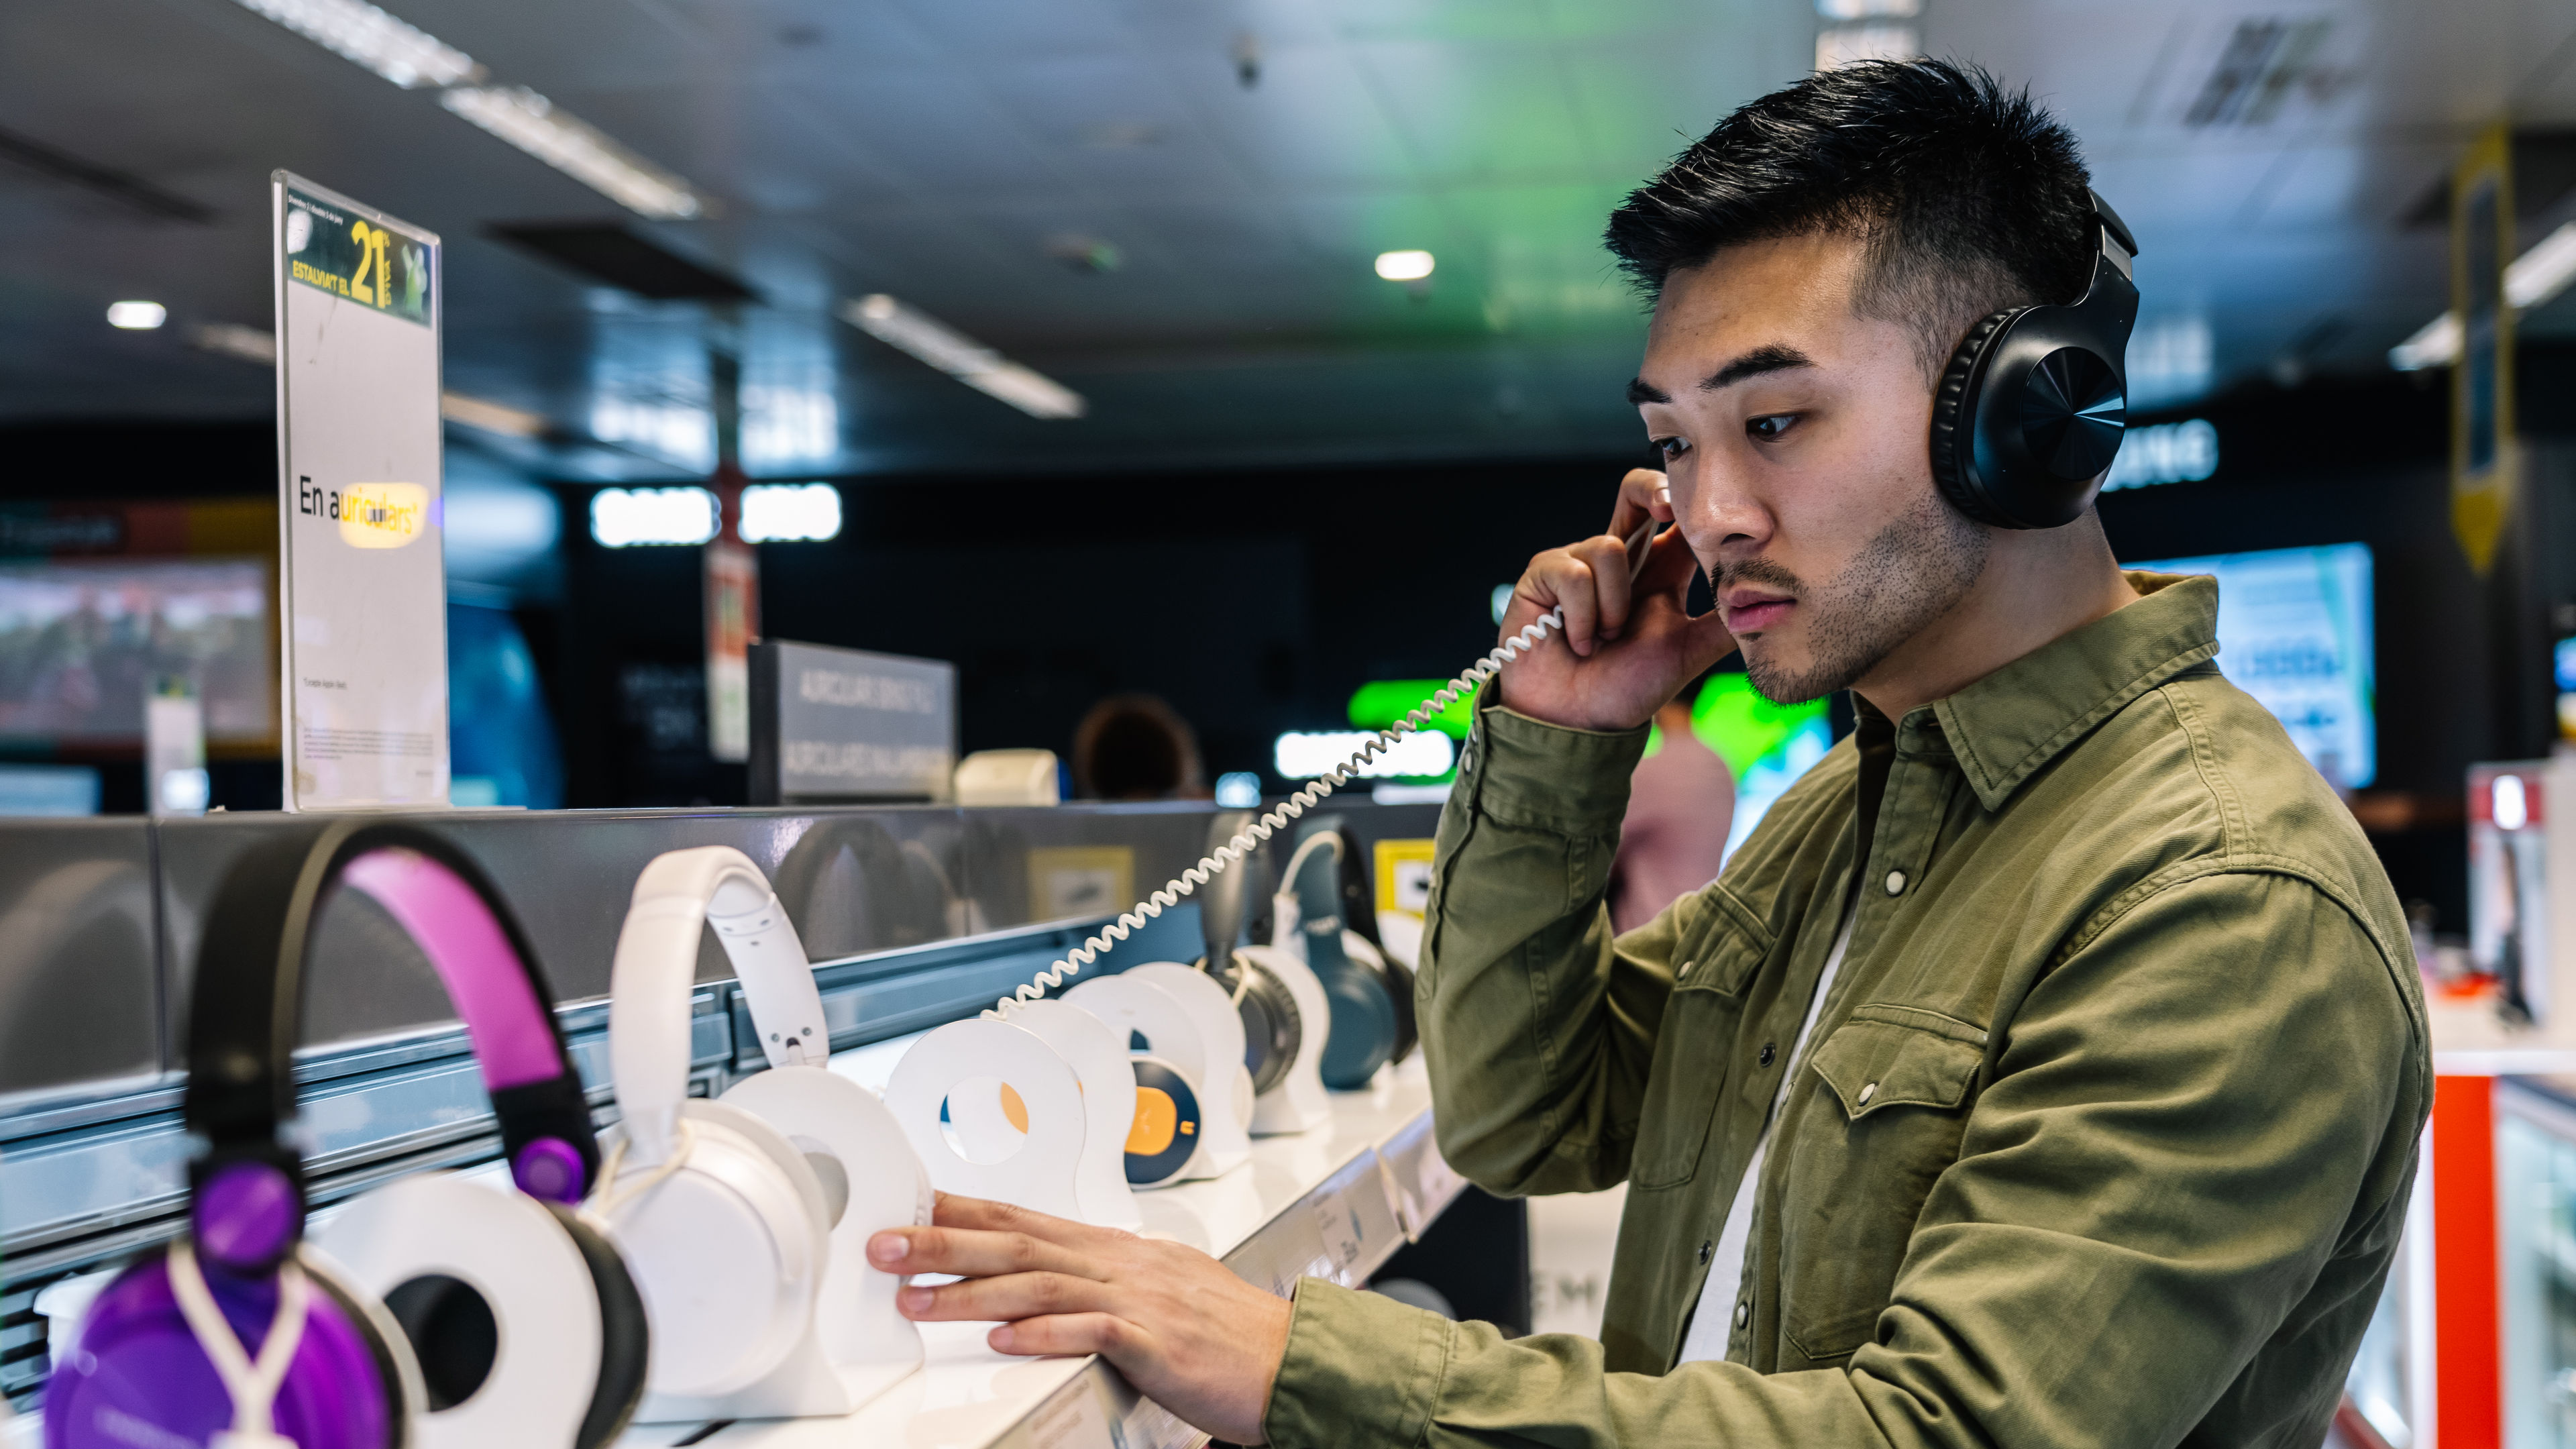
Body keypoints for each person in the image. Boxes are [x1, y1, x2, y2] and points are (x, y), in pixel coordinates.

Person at [865, 60, 2428, 1448]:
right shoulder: (1857, 809)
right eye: (1674, 438)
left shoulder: (2218, 892)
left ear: (2026, 419)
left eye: (1775, 422)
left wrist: (1290, 1360)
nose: (1707, 509)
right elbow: (1522, 1112)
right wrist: (1555, 744)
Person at [1608, 690, 1735, 934]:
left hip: (1648, 937)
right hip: (1700, 928)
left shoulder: (1651, 771)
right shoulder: (1720, 766)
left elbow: (1599, 852)